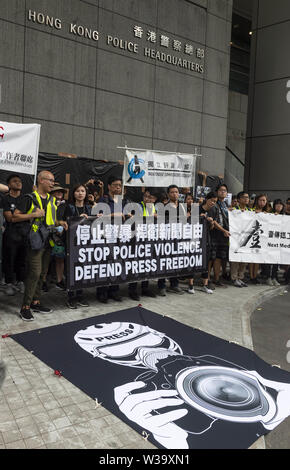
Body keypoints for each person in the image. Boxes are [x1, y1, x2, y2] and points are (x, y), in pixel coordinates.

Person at [13, 171, 68, 321]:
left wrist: (60, 223)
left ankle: (36, 301)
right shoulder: (29, 198)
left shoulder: (51, 200)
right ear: (41, 180)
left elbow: (51, 221)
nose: (53, 184)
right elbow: (14, 217)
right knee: (34, 273)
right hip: (34, 242)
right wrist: (33, 215)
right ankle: (25, 307)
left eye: (53, 181)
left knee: (43, 273)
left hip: (48, 241)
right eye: (50, 181)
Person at [94, 175, 124, 303]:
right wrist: (113, 214)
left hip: (120, 236)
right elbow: (98, 217)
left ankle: (114, 290)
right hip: (105, 236)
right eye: (116, 185)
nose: (118, 188)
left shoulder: (123, 201)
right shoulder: (103, 200)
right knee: (105, 264)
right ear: (109, 187)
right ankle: (102, 291)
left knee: (116, 263)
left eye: (120, 185)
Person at [64, 184, 91, 309]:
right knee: (71, 270)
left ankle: (80, 295)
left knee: (82, 270)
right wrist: (78, 218)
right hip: (71, 243)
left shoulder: (89, 208)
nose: (80, 193)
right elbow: (66, 223)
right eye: (78, 191)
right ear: (73, 193)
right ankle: (70, 297)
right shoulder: (69, 207)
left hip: (85, 244)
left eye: (83, 191)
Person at [128, 188, 158, 301]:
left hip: (148, 239)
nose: (147, 199)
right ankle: (132, 290)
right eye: (146, 196)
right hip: (136, 240)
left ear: (154, 199)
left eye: (150, 197)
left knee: (147, 264)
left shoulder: (153, 207)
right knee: (136, 265)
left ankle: (145, 288)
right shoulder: (138, 206)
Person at [158, 185, 186, 296]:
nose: (175, 194)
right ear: (168, 194)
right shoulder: (164, 207)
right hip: (166, 239)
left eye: (176, 192)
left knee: (176, 262)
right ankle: (162, 285)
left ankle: (174, 284)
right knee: (164, 262)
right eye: (172, 192)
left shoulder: (182, 207)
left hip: (178, 238)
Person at [187, 192, 216, 295]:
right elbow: (190, 222)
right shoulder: (196, 208)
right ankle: (190, 285)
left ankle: (205, 285)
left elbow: (211, 227)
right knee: (192, 261)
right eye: (211, 200)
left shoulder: (212, 211)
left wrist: (211, 222)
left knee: (205, 262)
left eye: (215, 202)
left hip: (206, 239)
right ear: (206, 199)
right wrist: (200, 217)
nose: (213, 203)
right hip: (194, 238)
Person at [2, 174, 26, 295]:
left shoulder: (25, 198)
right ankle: (9, 283)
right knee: (9, 259)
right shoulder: (5, 199)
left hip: (23, 233)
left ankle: (20, 281)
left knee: (22, 259)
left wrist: (18, 216)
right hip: (10, 234)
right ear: (9, 184)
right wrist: (25, 216)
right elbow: (10, 219)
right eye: (15, 181)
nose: (18, 183)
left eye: (20, 181)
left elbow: (16, 217)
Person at [208, 184, 231, 288]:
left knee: (219, 258)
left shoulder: (226, 204)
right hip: (215, 234)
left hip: (224, 235)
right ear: (217, 192)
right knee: (210, 259)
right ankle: (207, 279)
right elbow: (213, 220)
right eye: (221, 190)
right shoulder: (214, 204)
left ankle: (216, 279)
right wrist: (223, 230)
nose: (223, 192)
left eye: (225, 190)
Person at [249, 194, 271, 284]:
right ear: (257, 201)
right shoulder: (251, 210)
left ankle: (255, 276)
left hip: (262, 238)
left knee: (258, 258)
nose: (262, 202)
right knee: (251, 258)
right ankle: (251, 276)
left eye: (264, 201)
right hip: (252, 236)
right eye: (260, 200)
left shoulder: (268, 213)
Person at [49, 183, 67, 290]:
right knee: (45, 259)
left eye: (61, 191)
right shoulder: (47, 203)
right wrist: (57, 224)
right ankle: (42, 282)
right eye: (57, 191)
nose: (59, 193)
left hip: (60, 237)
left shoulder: (65, 205)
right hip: (47, 235)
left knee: (60, 259)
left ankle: (59, 281)